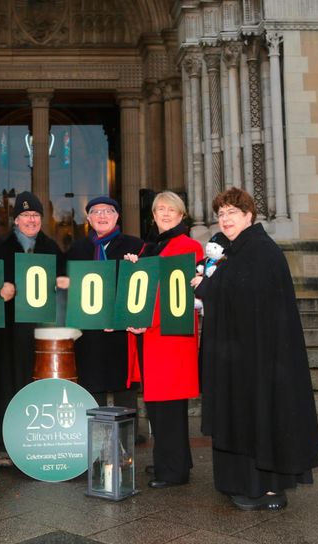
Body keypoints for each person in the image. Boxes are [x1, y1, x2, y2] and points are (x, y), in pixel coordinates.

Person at [194, 187, 318, 511]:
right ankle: (241, 482)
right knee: (244, 417)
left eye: (232, 213)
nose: (225, 219)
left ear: (248, 215)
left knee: (260, 419)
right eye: (221, 214)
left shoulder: (260, 250)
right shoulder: (238, 250)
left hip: (261, 360)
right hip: (242, 357)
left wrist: (207, 286)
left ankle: (266, 490)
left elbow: (244, 294)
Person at [124, 190, 202, 489]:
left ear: (182, 215)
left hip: (169, 339)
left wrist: (146, 320)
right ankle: (170, 459)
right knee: (156, 405)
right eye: (159, 209)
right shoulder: (149, 247)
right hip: (150, 339)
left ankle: (174, 471)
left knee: (169, 406)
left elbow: (177, 297)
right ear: (153, 215)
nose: (165, 214)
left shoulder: (190, 246)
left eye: (171, 209)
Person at [0, 190, 66, 466]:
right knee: (11, 383)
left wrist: (63, 282)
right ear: (16, 220)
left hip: (43, 332)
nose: (31, 220)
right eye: (25, 215)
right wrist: (1, 290)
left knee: (41, 382)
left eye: (35, 215)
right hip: (10, 333)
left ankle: (43, 439)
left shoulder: (52, 248)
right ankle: (9, 443)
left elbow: (64, 282)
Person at [65, 196, 144, 432]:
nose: (102, 216)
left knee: (124, 392)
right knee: (92, 389)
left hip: (122, 332)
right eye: (96, 212)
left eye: (108, 211)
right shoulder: (77, 249)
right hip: (89, 335)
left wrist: (138, 265)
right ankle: (96, 445)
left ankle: (127, 444)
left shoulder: (135, 246)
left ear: (117, 216)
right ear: (88, 218)